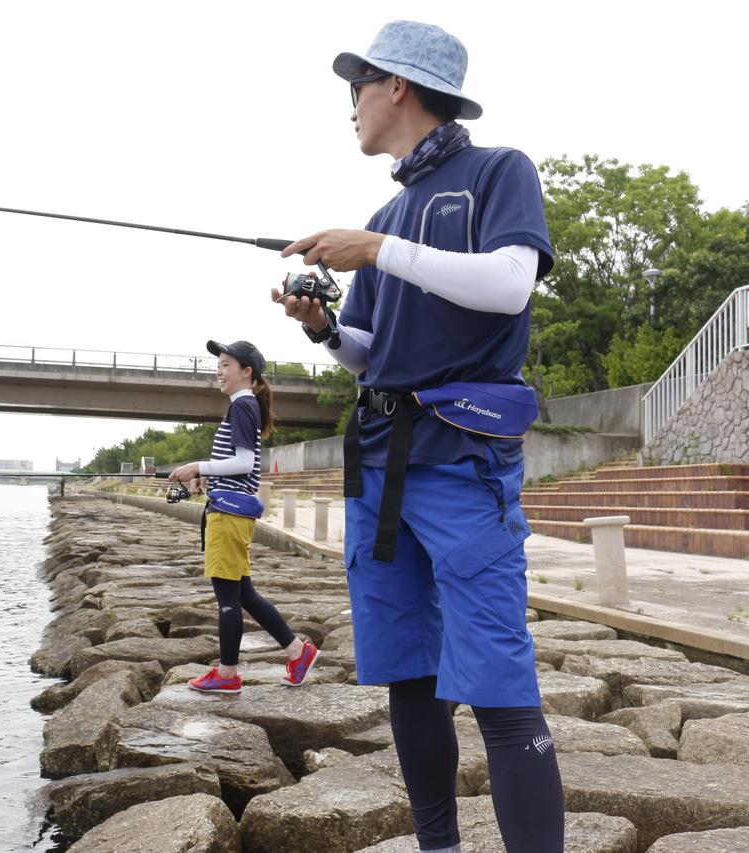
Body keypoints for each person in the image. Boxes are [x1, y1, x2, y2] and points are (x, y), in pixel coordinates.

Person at [271, 20, 565, 853]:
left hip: (465, 467)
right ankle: (439, 847)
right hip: (378, 474)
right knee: (409, 675)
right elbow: (372, 355)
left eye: (355, 86)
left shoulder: (496, 173)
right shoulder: (384, 211)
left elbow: (510, 284)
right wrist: (324, 328)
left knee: (503, 688)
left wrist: (380, 249)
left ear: (396, 85)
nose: (351, 106)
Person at [169, 339, 319, 694]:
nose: (218, 372)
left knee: (228, 598)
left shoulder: (242, 406)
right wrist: (208, 478)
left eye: (225, 365)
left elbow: (244, 462)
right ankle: (299, 653)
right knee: (245, 594)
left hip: (229, 514)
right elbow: (238, 466)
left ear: (246, 372)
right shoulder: (244, 405)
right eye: (218, 365)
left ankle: (227, 674)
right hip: (231, 507)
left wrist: (196, 465)